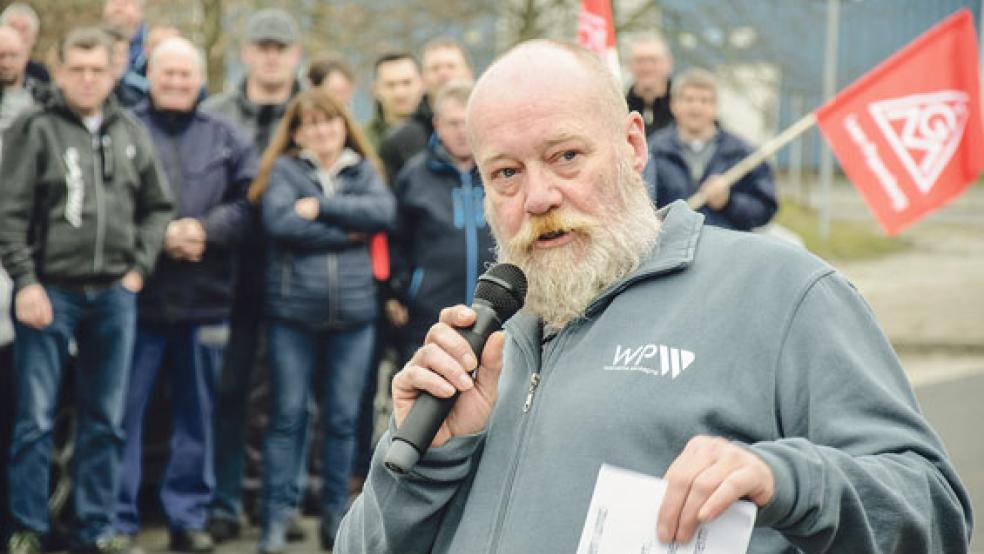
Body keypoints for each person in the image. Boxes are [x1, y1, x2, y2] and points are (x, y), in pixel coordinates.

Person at [334, 39, 972, 553]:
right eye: (506, 172)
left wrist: (788, 480)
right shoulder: (484, 348)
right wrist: (422, 465)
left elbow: (932, 511)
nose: (538, 197)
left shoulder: (782, 291)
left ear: (633, 145)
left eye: (565, 156)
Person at [0, 27, 172, 554]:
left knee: (105, 418)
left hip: (114, 295)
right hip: (49, 293)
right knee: (35, 418)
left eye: (98, 69)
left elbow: (157, 206)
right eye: (77, 68)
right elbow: (9, 214)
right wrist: (26, 281)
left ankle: (96, 529)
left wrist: (138, 267)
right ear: (61, 67)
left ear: (112, 71)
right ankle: (29, 527)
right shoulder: (36, 128)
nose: (88, 78)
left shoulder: (130, 129)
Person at [113, 37, 257, 553]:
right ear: (150, 76)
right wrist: (161, 236)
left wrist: (204, 229)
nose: (175, 82)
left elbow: (248, 203)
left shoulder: (226, 137)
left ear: (200, 80)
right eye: (166, 73)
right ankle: (119, 520)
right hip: (138, 300)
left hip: (206, 300)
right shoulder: (125, 128)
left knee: (197, 415)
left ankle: (187, 517)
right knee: (122, 415)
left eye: (184, 74)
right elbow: (109, 205)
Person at [248, 89, 395, 553]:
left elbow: (382, 213)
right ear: (296, 132)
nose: (320, 131)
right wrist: (350, 233)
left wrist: (324, 209)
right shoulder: (286, 171)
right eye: (309, 124)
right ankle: (275, 520)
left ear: (342, 125)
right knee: (288, 418)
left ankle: (336, 520)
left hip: (353, 317)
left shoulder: (363, 169)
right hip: (292, 317)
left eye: (328, 122)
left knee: (343, 421)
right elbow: (280, 223)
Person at [201, 8, 304, 542]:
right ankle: (224, 500)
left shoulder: (313, 114)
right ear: (246, 53)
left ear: (295, 55)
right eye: (262, 46)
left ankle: (276, 505)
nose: (270, 56)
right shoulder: (215, 112)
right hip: (228, 276)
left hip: (296, 274)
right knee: (230, 388)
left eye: (280, 47)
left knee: (290, 397)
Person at [388, 80, 494, 364]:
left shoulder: (499, 170)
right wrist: (399, 290)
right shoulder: (414, 176)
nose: (461, 132)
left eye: (467, 123)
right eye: (453, 123)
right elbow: (395, 238)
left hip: (495, 316)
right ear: (437, 125)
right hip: (430, 315)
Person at [646, 68, 777, 231]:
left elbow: (765, 209)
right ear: (674, 105)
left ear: (715, 107)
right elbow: (639, 207)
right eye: (689, 99)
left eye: (704, 100)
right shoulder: (653, 152)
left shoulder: (742, 154)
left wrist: (729, 202)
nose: (696, 107)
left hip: (727, 250)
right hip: (671, 250)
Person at [378, 39, 472, 181]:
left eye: (451, 66)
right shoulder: (400, 140)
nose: (444, 74)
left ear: (469, 73)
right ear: (422, 80)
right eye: (435, 68)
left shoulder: (492, 126)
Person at [364, 52, 422, 151]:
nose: (400, 93)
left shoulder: (441, 132)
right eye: (390, 85)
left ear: (422, 84)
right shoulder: (363, 141)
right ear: (375, 90)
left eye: (407, 83)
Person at [626, 33, 674, 138]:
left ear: (669, 63)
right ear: (629, 65)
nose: (647, 67)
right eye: (640, 61)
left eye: (653, 60)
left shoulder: (683, 109)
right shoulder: (620, 109)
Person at [102, 0, 149, 107]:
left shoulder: (155, 46)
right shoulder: (87, 45)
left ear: (141, 11)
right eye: (113, 2)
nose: (118, 7)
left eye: (126, 3)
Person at [0, 3, 49, 84]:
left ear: (34, 37)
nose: (18, 34)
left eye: (24, 29)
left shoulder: (40, 74)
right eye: (13, 27)